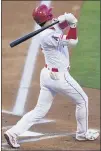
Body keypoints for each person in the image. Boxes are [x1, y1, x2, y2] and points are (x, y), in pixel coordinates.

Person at [4, 4, 99, 148]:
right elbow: (73, 41)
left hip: (47, 76)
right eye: (51, 14)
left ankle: (13, 133)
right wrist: (73, 25)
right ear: (47, 17)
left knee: (40, 110)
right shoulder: (48, 35)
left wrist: (66, 19)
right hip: (59, 77)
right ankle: (82, 134)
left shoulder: (49, 28)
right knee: (83, 100)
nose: (53, 15)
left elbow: (58, 25)